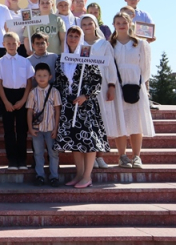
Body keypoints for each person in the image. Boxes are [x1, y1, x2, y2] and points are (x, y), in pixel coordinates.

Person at [54, 26, 110, 188]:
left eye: (76, 36)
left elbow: (96, 80)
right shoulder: (61, 58)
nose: (72, 38)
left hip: (85, 105)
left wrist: (85, 96)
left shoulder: (87, 56)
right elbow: (59, 81)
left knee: (89, 141)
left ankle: (87, 176)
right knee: (74, 141)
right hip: (69, 105)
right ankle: (79, 175)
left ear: (81, 39)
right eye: (70, 35)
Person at [110, 12, 154, 169]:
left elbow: (146, 68)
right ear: (114, 24)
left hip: (135, 85)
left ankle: (136, 156)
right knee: (119, 122)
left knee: (136, 123)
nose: (121, 25)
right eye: (118, 22)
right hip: (116, 86)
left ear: (130, 23)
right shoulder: (110, 44)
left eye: (124, 22)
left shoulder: (140, 43)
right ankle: (122, 156)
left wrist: (138, 83)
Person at [80, 14, 121, 170]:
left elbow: (111, 65)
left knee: (101, 120)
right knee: (88, 121)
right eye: (84, 24)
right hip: (84, 87)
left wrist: (111, 85)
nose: (87, 26)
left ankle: (100, 156)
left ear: (95, 25)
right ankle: (88, 157)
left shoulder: (104, 44)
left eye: (90, 23)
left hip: (101, 85)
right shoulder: (78, 43)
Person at [0, 32, 35, 170]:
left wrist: (23, 100)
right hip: (7, 96)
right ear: (3, 45)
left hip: (22, 96)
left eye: (14, 43)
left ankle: (22, 160)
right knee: (9, 130)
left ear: (19, 44)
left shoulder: (25, 61)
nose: (11, 46)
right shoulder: (0, 62)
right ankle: (12, 160)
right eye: (8, 43)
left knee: (22, 130)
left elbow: (29, 82)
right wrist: (5, 102)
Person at [26, 63, 62, 186]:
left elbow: (57, 110)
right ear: (35, 77)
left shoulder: (54, 92)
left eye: (44, 75)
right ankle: (40, 175)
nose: (42, 78)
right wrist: (30, 128)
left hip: (51, 128)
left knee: (53, 153)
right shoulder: (32, 93)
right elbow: (30, 111)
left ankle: (54, 176)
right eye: (39, 75)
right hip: (37, 129)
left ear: (50, 76)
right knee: (38, 153)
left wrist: (56, 128)